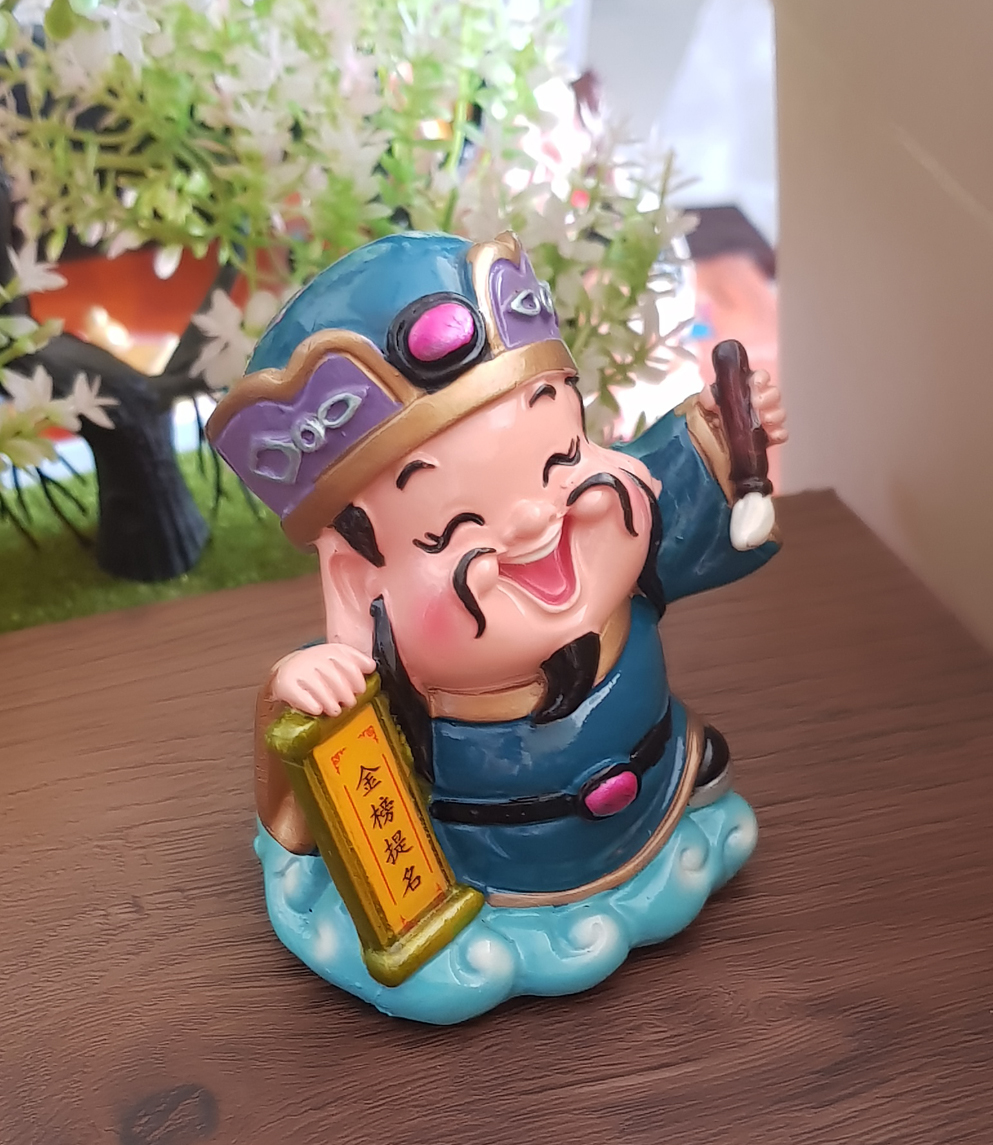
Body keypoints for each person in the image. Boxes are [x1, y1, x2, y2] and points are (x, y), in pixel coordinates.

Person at [208, 230, 787, 1021]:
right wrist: (299, 687)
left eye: (565, 457)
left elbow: (679, 488)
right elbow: (322, 777)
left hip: (658, 795)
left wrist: (726, 438)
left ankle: (662, 833)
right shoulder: (391, 682)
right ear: (354, 583)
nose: (539, 522)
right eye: (455, 527)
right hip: (490, 864)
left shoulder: (623, 566)